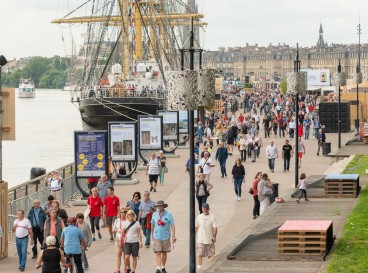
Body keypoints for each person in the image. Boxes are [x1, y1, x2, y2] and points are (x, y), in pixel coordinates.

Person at [151, 200, 176, 273]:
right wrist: (152, 234)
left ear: (163, 206)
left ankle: (163, 267)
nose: (159, 207)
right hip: (157, 235)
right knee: (158, 252)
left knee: (164, 252)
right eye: (158, 206)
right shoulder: (154, 214)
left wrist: (173, 235)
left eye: (160, 206)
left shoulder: (169, 214)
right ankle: (158, 268)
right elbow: (152, 224)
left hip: (166, 236)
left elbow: (172, 225)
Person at [195, 203, 217, 270]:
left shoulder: (212, 216)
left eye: (206, 208)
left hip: (209, 240)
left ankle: (209, 269)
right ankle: (199, 269)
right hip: (200, 240)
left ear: (209, 209)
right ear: (202, 209)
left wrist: (214, 236)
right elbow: (196, 227)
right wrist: (193, 236)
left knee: (210, 256)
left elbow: (215, 228)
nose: (205, 210)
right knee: (199, 255)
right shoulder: (199, 217)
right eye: (204, 208)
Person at [112, 208, 127, 273]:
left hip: (126, 240)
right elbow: (113, 230)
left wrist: (124, 231)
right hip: (118, 239)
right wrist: (118, 230)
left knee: (126, 256)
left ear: (126, 213)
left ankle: (126, 269)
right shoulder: (117, 221)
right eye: (121, 212)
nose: (122, 213)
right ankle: (118, 269)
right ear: (119, 213)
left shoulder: (127, 221)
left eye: (124, 212)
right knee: (118, 254)